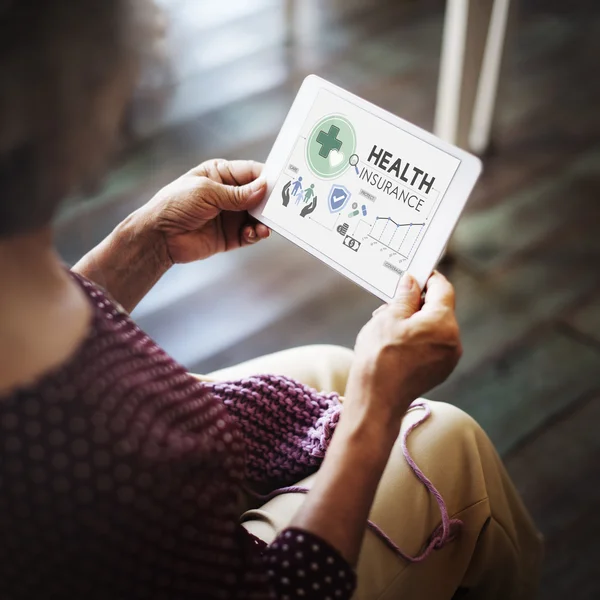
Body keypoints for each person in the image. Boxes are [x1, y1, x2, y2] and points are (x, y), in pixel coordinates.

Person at [0, 1, 542, 599]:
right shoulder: (122, 461)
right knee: (450, 440)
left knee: (330, 366)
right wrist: (375, 407)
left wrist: (144, 246)